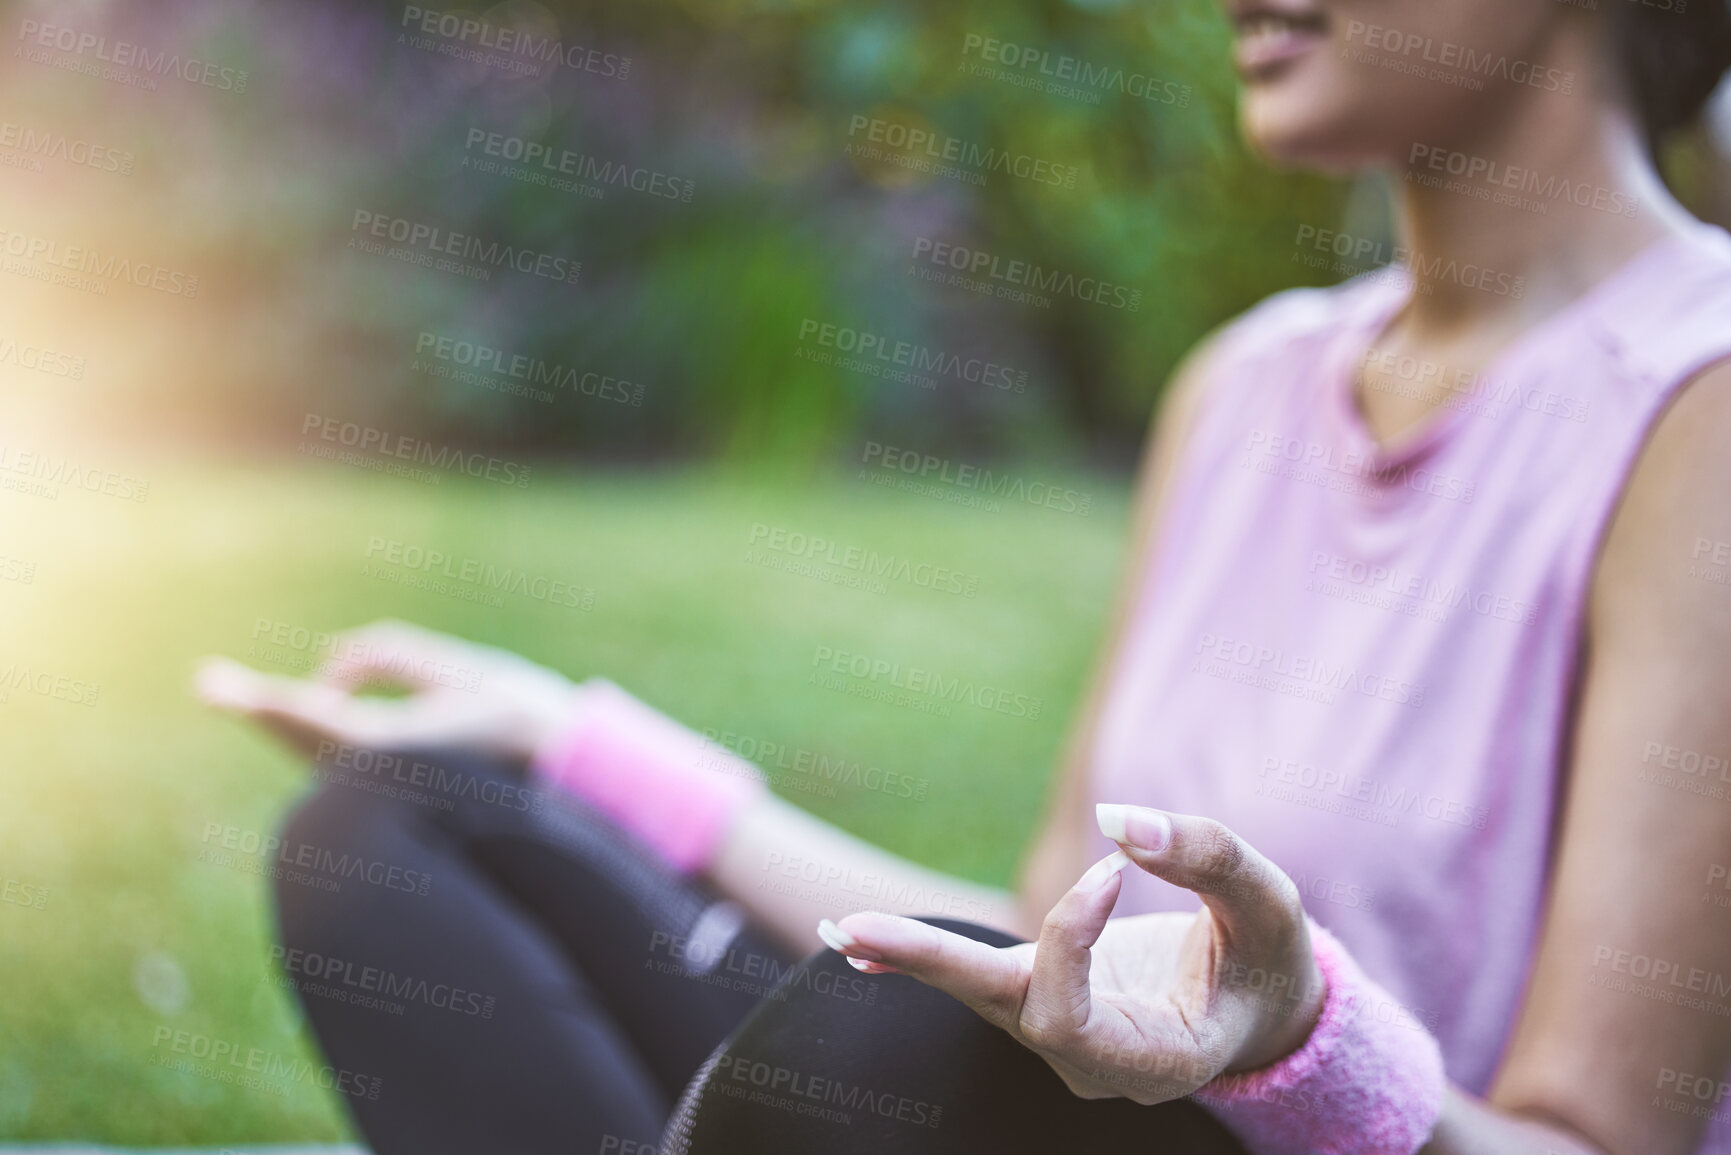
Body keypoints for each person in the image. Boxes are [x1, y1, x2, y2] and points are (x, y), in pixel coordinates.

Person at [197, 0, 1731, 1151]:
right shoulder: (1250, 387)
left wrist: (1306, 1042)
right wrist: (570, 743)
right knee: (401, 832)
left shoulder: (1697, 401)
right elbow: (1020, 935)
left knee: (878, 1048)